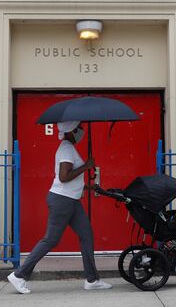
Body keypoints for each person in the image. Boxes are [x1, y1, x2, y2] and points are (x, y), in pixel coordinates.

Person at [8, 121, 112, 294]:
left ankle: (92, 279)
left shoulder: (68, 147)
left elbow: (67, 179)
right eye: (79, 128)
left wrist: (86, 187)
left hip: (70, 199)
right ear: (71, 130)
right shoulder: (66, 148)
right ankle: (19, 275)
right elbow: (64, 177)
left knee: (86, 234)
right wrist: (86, 166)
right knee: (51, 239)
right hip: (63, 200)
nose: (82, 131)